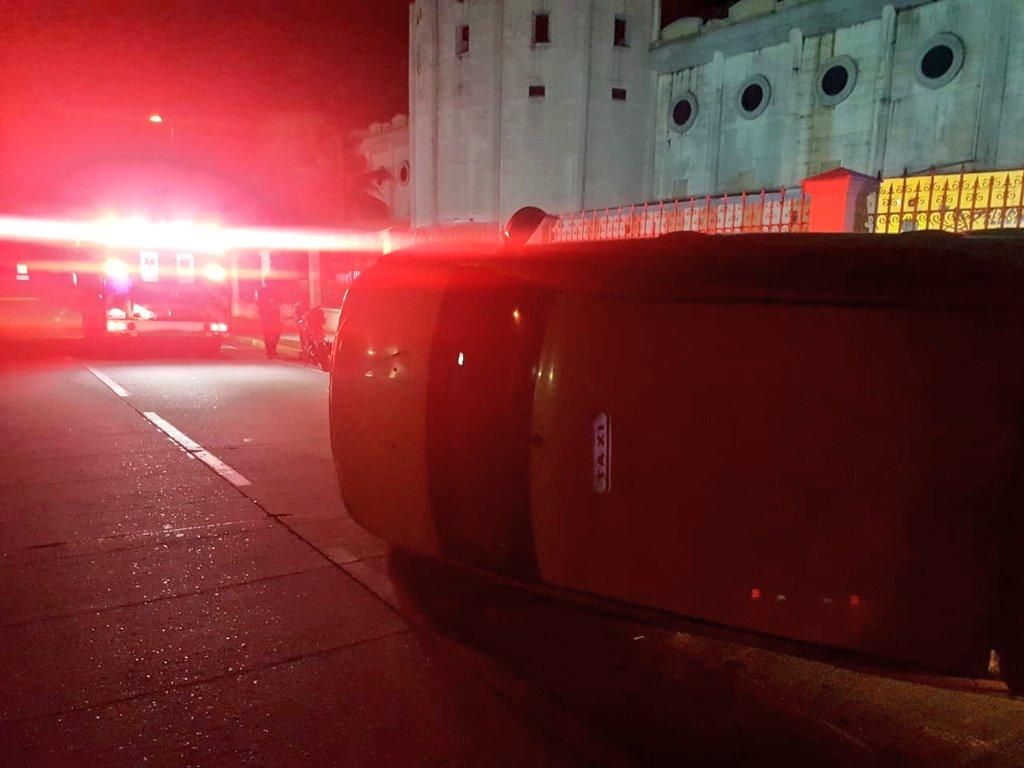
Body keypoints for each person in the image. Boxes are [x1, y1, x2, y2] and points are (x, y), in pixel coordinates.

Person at [256, 283, 282, 359]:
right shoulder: (261, 291)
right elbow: (258, 302)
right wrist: (267, 304)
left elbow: (280, 300)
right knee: (267, 334)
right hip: (265, 316)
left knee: (276, 332)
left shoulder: (275, 291)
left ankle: (272, 349)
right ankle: (270, 351)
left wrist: (275, 304)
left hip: (274, 315)